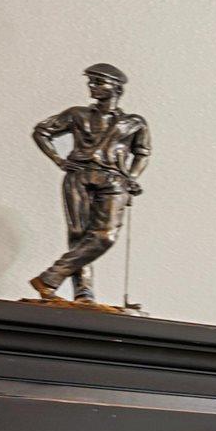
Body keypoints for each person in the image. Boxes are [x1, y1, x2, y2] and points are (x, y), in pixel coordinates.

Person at [28, 63, 149, 309]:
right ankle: (83, 294)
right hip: (80, 175)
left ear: (116, 88)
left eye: (97, 82)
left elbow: (142, 152)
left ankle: (49, 277)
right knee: (79, 235)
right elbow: (42, 131)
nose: (91, 86)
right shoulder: (76, 114)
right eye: (90, 81)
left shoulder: (134, 122)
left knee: (105, 236)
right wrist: (59, 160)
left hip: (114, 179)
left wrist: (132, 177)